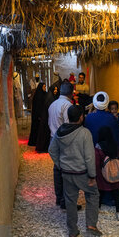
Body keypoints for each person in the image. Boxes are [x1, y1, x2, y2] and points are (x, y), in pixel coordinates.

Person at [48, 105, 102, 237]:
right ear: (81, 117)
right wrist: (92, 175)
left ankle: (72, 230)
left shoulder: (60, 131)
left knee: (70, 201)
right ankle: (91, 225)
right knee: (93, 194)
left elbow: (51, 150)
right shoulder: (84, 133)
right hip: (82, 173)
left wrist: (60, 165)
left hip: (66, 173)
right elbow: (89, 157)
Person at [48, 81, 74, 209]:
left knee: (57, 169)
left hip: (53, 138)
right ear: (71, 93)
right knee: (67, 171)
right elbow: (68, 125)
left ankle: (59, 198)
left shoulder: (52, 104)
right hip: (64, 140)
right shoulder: (67, 105)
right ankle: (66, 201)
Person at [94, 126, 119, 221]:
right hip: (113, 172)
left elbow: (97, 162)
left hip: (103, 173)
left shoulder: (98, 146)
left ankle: (97, 208)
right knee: (116, 193)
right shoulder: (114, 144)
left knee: (100, 191)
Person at [35, 83, 58, 153]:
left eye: (56, 90)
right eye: (55, 90)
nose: (56, 91)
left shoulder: (50, 96)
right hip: (46, 118)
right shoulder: (50, 98)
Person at [28, 82, 46, 147]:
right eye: (44, 87)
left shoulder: (44, 94)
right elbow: (38, 107)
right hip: (37, 116)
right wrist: (39, 115)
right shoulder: (38, 96)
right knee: (36, 129)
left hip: (41, 115)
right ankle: (35, 142)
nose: (45, 88)